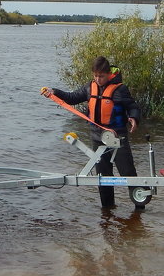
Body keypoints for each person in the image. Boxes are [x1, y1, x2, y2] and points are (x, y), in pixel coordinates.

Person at [45, 56, 141, 209]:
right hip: (97, 138)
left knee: (128, 172)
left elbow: (132, 106)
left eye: (101, 76)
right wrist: (54, 92)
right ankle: (107, 211)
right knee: (102, 178)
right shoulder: (89, 87)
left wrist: (134, 118)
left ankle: (140, 206)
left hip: (118, 137)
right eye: (95, 75)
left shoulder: (120, 89)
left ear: (109, 74)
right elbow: (71, 98)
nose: (98, 79)